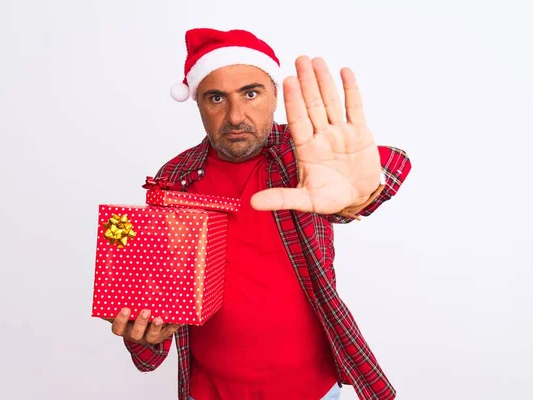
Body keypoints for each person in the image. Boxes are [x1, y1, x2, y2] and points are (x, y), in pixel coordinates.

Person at [107, 28, 412, 400]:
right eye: (216, 97)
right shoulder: (174, 180)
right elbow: (158, 305)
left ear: (274, 96)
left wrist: (361, 192)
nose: (236, 116)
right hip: (209, 391)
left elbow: (387, 169)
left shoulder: (305, 155)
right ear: (198, 103)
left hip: (313, 391)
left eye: (251, 93)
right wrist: (145, 335)